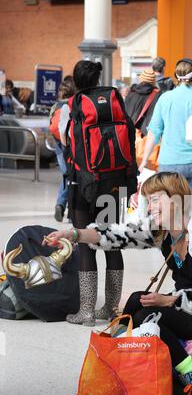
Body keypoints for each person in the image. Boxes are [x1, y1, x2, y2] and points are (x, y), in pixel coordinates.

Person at [43, 171, 192, 395]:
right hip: (189, 302)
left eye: (156, 199)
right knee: (135, 300)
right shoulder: (164, 231)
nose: (150, 207)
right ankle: (122, 366)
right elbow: (113, 235)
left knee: (151, 316)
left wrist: (168, 301)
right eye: (148, 200)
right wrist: (73, 235)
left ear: (176, 200)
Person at [58, 60, 137, 325]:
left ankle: (87, 311)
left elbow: (63, 140)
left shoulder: (71, 106)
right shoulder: (114, 101)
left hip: (84, 183)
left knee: (85, 245)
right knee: (112, 243)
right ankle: (112, 309)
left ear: (77, 82)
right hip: (116, 180)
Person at [139, 58, 192, 212]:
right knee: (191, 210)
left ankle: (174, 235)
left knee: (171, 210)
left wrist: (144, 160)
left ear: (176, 77)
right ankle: (188, 235)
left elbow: (154, 131)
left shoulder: (165, 98)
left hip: (170, 163)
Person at [50, 76, 76, 222]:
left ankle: (60, 204)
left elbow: (51, 125)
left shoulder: (55, 106)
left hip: (59, 144)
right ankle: (72, 212)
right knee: (74, 176)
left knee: (66, 175)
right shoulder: (74, 105)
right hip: (72, 144)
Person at [125, 69, 161, 138]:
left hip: (131, 134)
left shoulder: (130, 94)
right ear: (153, 81)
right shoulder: (158, 96)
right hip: (148, 136)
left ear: (140, 79)